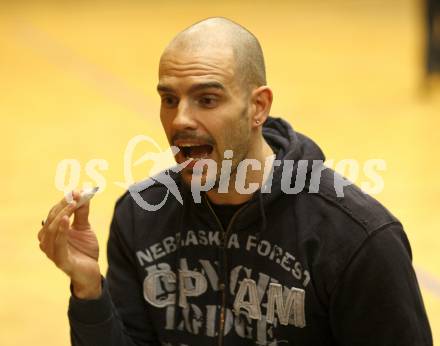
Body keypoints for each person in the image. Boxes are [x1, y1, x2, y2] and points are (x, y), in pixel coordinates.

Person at [38, 17, 433, 346]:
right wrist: (89, 290)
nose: (180, 120)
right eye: (169, 99)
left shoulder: (356, 237)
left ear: (258, 106)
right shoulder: (141, 215)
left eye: (207, 100)